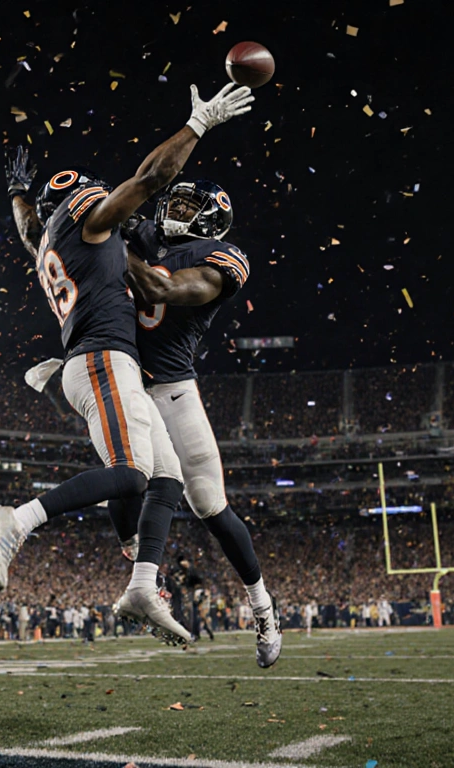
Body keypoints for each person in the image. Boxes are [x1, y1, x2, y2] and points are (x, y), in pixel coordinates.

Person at [0, 81, 254, 646]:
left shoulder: (48, 241)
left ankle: (142, 586)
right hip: (104, 357)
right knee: (132, 474)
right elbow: (152, 179)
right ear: (85, 202)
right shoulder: (90, 222)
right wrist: (199, 125)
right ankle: (19, 520)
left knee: (168, 477)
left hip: (98, 359)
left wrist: (17, 191)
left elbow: (29, 231)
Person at [120, 178, 281, 666]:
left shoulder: (220, 258)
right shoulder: (145, 235)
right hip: (126, 380)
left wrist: (107, 244)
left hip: (173, 387)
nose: (174, 209)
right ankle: (143, 574)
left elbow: (160, 286)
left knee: (209, 503)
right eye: (176, 200)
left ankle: (264, 608)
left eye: (190, 205)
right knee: (131, 476)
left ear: (212, 218)